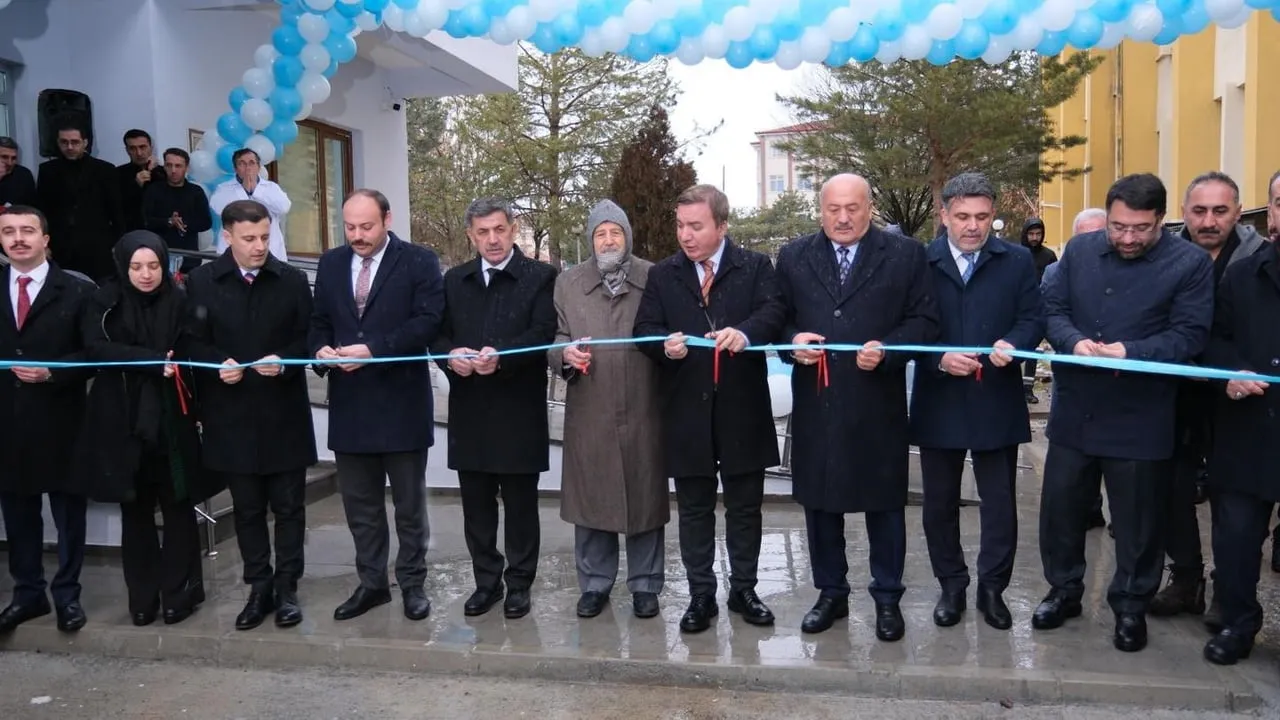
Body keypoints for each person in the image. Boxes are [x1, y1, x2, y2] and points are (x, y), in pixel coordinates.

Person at [1037, 173, 1214, 653]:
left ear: (1160, 220)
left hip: (1142, 414)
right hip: (1076, 410)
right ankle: (1063, 590)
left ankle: (1131, 607)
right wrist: (1073, 341)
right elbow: (1052, 308)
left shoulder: (1190, 263)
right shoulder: (1079, 251)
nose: (1127, 238)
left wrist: (1128, 351)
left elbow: (1189, 335)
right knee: (1062, 511)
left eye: (1140, 228)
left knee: (1137, 522)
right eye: (1118, 227)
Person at [774, 174, 938, 639]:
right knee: (820, 506)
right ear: (820, 210)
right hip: (819, 403)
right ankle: (831, 593)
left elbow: (925, 320)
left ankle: (887, 598)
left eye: (853, 208)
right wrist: (791, 343)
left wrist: (890, 349)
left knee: (885, 505)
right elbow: (778, 317)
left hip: (877, 403)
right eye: (833, 209)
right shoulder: (793, 256)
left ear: (870, 208)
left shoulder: (906, 255)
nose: (843, 218)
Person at [634, 184, 785, 634]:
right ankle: (702, 594)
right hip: (686, 412)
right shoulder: (664, 275)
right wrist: (665, 347)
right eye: (680, 225)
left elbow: (776, 311)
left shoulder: (755, 266)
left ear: (721, 225)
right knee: (695, 509)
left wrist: (748, 332)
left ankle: (744, 589)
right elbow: (644, 329)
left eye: (696, 226)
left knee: (744, 508)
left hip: (743, 409)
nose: (686, 234)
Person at [909, 173, 1042, 631]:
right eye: (962, 216)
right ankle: (951, 585)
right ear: (943, 214)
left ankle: (992, 588)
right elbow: (909, 327)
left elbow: (1033, 316)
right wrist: (939, 359)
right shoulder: (918, 262)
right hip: (939, 400)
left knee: (1000, 502)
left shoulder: (1017, 261)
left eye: (982, 217)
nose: (972, 226)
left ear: (993, 216)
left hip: (996, 398)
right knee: (939, 504)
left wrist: (1014, 341)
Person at [309, 189, 443, 622]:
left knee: (408, 508)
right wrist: (321, 350)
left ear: (387, 218)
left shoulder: (419, 261)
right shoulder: (330, 264)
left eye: (366, 226)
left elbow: (426, 322)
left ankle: (412, 585)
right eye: (350, 227)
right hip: (350, 407)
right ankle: (371, 585)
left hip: (401, 402)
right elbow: (319, 321)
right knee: (361, 508)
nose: (357, 235)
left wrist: (372, 349)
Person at [75, 231, 222, 626]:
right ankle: (142, 599)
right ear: (123, 267)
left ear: (164, 265)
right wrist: (149, 360)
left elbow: (195, 347)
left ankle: (179, 595)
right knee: (135, 513)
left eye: (153, 266)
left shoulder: (182, 301)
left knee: (178, 508)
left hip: (173, 423)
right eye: (137, 267)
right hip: (123, 423)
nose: (145, 274)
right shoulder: (103, 302)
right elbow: (96, 348)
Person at [185, 199, 316, 631]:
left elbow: (309, 339)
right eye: (249, 239)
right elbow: (192, 342)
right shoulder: (203, 281)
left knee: (290, 507)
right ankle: (258, 587)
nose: (259, 247)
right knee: (246, 509)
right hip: (231, 415)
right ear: (227, 237)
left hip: (284, 413)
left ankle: (287, 587)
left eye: (264, 237)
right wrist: (218, 362)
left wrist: (286, 359)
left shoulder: (292, 280)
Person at [433, 198, 557, 620]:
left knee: (521, 507)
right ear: (470, 235)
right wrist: (451, 357)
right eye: (482, 232)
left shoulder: (540, 277)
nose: (492, 240)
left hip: (518, 409)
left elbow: (543, 332)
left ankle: (519, 584)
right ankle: (487, 582)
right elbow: (438, 335)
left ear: (512, 228)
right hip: (470, 409)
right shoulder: (455, 280)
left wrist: (500, 356)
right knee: (477, 508)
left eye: (499, 230)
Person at [1149, 172, 1265, 621]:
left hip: (1242, 398)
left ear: (1238, 211)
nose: (1209, 220)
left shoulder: (1257, 260)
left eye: (1220, 210)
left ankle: (1228, 588)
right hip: (1178, 393)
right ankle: (1186, 578)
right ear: (1183, 212)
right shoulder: (1166, 256)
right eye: (1199, 210)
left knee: (1234, 499)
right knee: (1173, 489)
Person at [549, 200, 666, 620]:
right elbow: (556, 336)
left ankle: (646, 585)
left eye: (616, 232)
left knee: (645, 496)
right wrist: (564, 355)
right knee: (592, 497)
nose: (609, 240)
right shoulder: (568, 284)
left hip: (644, 405)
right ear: (590, 239)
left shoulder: (654, 277)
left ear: (628, 237)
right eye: (601, 233)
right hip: (591, 406)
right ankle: (595, 585)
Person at [0, 206, 95, 634]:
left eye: (27, 231)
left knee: (69, 516)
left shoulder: (76, 291)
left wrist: (53, 372)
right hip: (8, 424)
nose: (18, 239)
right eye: (8, 232)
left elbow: (94, 356)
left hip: (62, 421)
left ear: (46, 239)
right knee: (18, 514)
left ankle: (67, 596)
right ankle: (28, 594)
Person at [1199, 217, 1280, 666]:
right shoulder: (1243, 274)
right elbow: (1212, 339)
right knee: (1235, 540)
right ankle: (1238, 622)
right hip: (1248, 430)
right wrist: (1227, 374)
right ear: (1271, 214)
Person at [1045, 207, 1109, 532]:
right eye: (1086, 237)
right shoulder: (1055, 273)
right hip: (1073, 386)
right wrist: (1074, 341)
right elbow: (1051, 315)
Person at [35, 117, 124, 281]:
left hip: (97, 249)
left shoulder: (106, 170)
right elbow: (41, 212)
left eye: (74, 142)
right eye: (64, 142)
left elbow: (116, 212)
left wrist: (117, 245)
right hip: (59, 248)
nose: (69, 147)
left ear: (85, 142)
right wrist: (43, 245)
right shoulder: (47, 171)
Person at [209, 149, 290, 262]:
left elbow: (284, 207)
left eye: (252, 163)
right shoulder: (223, 189)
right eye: (242, 163)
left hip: (269, 250)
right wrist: (245, 190)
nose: (248, 167)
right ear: (235, 168)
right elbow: (218, 209)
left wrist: (256, 191)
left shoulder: (271, 188)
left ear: (258, 167)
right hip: (235, 253)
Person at [143, 149, 212, 275]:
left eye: (178, 166)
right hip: (159, 256)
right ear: (164, 166)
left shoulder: (196, 191)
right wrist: (168, 221)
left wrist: (183, 223)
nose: (173, 170)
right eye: (169, 165)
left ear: (186, 168)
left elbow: (206, 222)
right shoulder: (154, 190)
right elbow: (145, 221)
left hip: (190, 259)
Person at [1019, 217, 1055, 404]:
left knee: (1034, 350)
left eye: (1038, 234)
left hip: (1040, 308)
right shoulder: (1016, 254)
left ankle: (1028, 389)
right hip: (1017, 307)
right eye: (1031, 234)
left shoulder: (1048, 256)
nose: (1034, 237)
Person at [116, 129, 160, 232]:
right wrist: (135, 185)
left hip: (161, 232)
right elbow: (116, 206)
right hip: (131, 231)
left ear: (151, 147)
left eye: (142, 147)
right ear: (127, 150)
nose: (139, 153)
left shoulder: (162, 173)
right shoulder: (117, 173)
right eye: (133, 148)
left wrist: (152, 171)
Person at [0, 137, 38, 210]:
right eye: (4, 157)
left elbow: (32, 207)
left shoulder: (24, 175)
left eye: (13, 158)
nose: (9, 163)